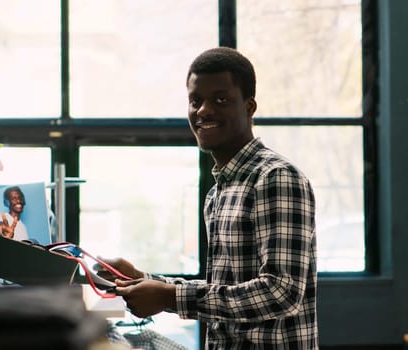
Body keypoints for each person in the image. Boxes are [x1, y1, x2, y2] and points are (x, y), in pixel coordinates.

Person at [96, 47, 318, 348]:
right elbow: (222, 290)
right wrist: (140, 278)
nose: (203, 111)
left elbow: (281, 292)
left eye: (220, 100)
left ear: (249, 106)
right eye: (195, 101)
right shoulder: (218, 191)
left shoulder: (276, 178)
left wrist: (168, 296)